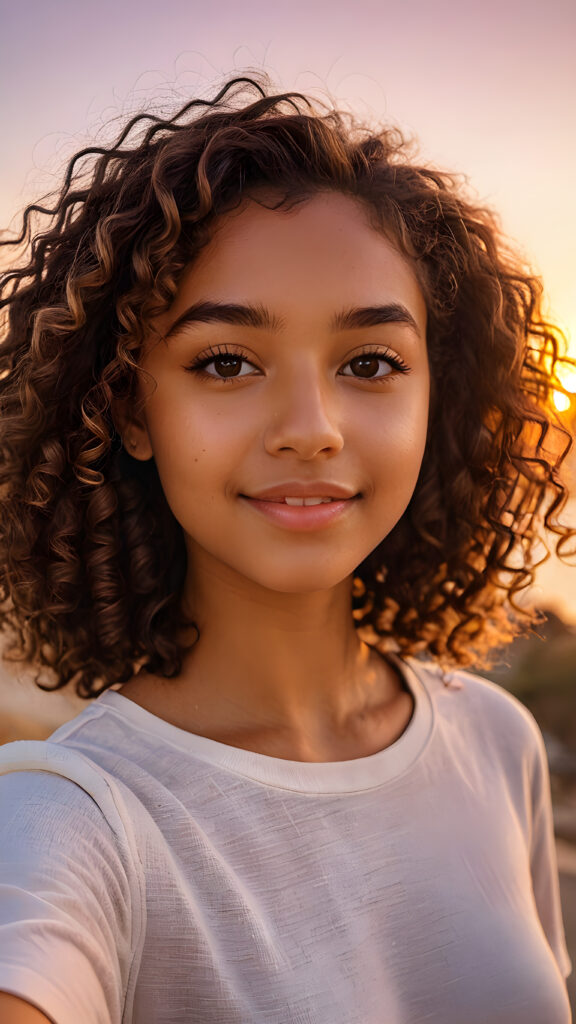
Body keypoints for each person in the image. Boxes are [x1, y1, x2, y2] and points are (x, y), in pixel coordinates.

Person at [0, 72, 573, 1024]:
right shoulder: (76, 822)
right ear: (129, 409)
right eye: (226, 363)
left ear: (438, 397)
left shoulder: (495, 741)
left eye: (370, 363)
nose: (311, 428)